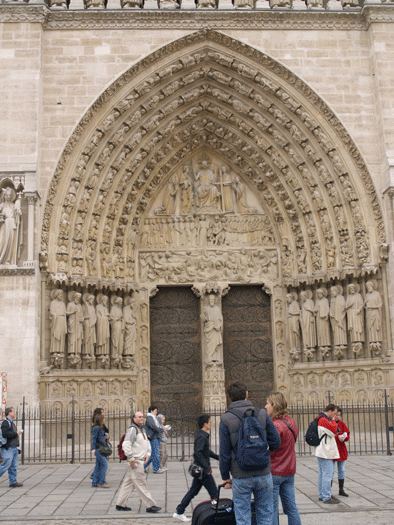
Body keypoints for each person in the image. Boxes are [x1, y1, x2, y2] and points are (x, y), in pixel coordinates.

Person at [219, 382, 281, 525]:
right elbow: (276, 441)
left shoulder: (226, 418)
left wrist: (225, 476)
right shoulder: (262, 414)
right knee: (265, 515)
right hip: (263, 472)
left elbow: (224, 453)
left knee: (243, 518)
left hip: (240, 474)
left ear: (229, 398)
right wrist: (265, 453)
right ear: (247, 395)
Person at [173, 414, 219, 522]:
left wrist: (218, 457)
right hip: (203, 470)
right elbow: (198, 453)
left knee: (193, 491)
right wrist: (207, 468)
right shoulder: (202, 436)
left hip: (200, 470)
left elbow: (206, 452)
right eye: (210, 422)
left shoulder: (202, 435)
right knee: (214, 493)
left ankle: (179, 511)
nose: (211, 424)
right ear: (205, 424)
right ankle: (217, 515)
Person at [265, 392, 301, 525]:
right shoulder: (291, 422)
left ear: (274, 405)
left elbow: (270, 448)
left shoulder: (275, 426)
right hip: (289, 470)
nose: (265, 406)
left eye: (268, 403)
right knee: (291, 508)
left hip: (275, 471)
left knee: (272, 510)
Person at [116, 411, 161, 514]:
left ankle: (120, 504)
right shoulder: (132, 430)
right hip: (136, 462)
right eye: (139, 417)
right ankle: (150, 505)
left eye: (142, 417)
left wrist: (148, 453)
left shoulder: (142, 429)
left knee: (128, 483)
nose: (142, 418)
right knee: (141, 484)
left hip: (140, 459)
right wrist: (131, 459)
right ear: (134, 419)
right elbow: (126, 445)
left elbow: (147, 442)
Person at [314, 403, 340, 504]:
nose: (335, 416)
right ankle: (326, 496)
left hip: (323, 450)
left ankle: (322, 494)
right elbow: (334, 431)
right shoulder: (324, 420)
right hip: (326, 451)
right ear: (330, 411)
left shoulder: (321, 419)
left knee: (322, 473)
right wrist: (333, 421)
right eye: (334, 413)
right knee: (327, 474)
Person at [0, 407, 23, 487]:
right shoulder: (6, 423)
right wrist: (16, 433)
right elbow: (5, 434)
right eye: (13, 412)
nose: (14, 413)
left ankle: (13, 481)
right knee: (5, 464)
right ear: (9, 413)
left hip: (13, 448)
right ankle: (13, 481)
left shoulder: (11, 422)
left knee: (13, 466)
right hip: (8, 448)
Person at [333, 407, 350, 497]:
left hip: (341, 448)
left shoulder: (341, 424)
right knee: (331, 471)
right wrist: (337, 437)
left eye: (339, 415)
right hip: (333, 449)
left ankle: (341, 489)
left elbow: (347, 433)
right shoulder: (330, 423)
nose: (337, 417)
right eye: (336, 415)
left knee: (341, 470)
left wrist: (345, 437)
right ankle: (329, 490)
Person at [91, 413, 109, 488]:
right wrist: (93, 448)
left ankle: (95, 482)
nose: (104, 420)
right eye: (103, 419)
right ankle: (102, 482)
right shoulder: (96, 428)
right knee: (104, 464)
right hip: (98, 449)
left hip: (100, 448)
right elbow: (94, 439)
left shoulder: (100, 428)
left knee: (98, 465)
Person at [144, 406, 164, 474]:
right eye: (155, 411)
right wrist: (161, 429)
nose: (156, 412)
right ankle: (156, 468)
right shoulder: (150, 417)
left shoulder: (153, 417)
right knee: (155, 454)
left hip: (156, 436)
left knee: (153, 454)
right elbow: (153, 426)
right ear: (151, 411)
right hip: (153, 437)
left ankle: (143, 466)